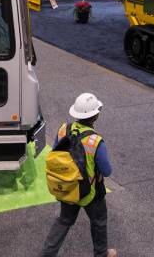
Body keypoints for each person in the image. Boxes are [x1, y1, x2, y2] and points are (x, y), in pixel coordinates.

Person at [41, 93, 117, 257]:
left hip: (68, 187)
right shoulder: (95, 141)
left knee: (64, 220)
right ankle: (101, 254)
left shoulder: (63, 130)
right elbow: (107, 171)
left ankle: (46, 254)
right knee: (98, 222)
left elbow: (55, 153)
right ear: (95, 116)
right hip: (90, 192)